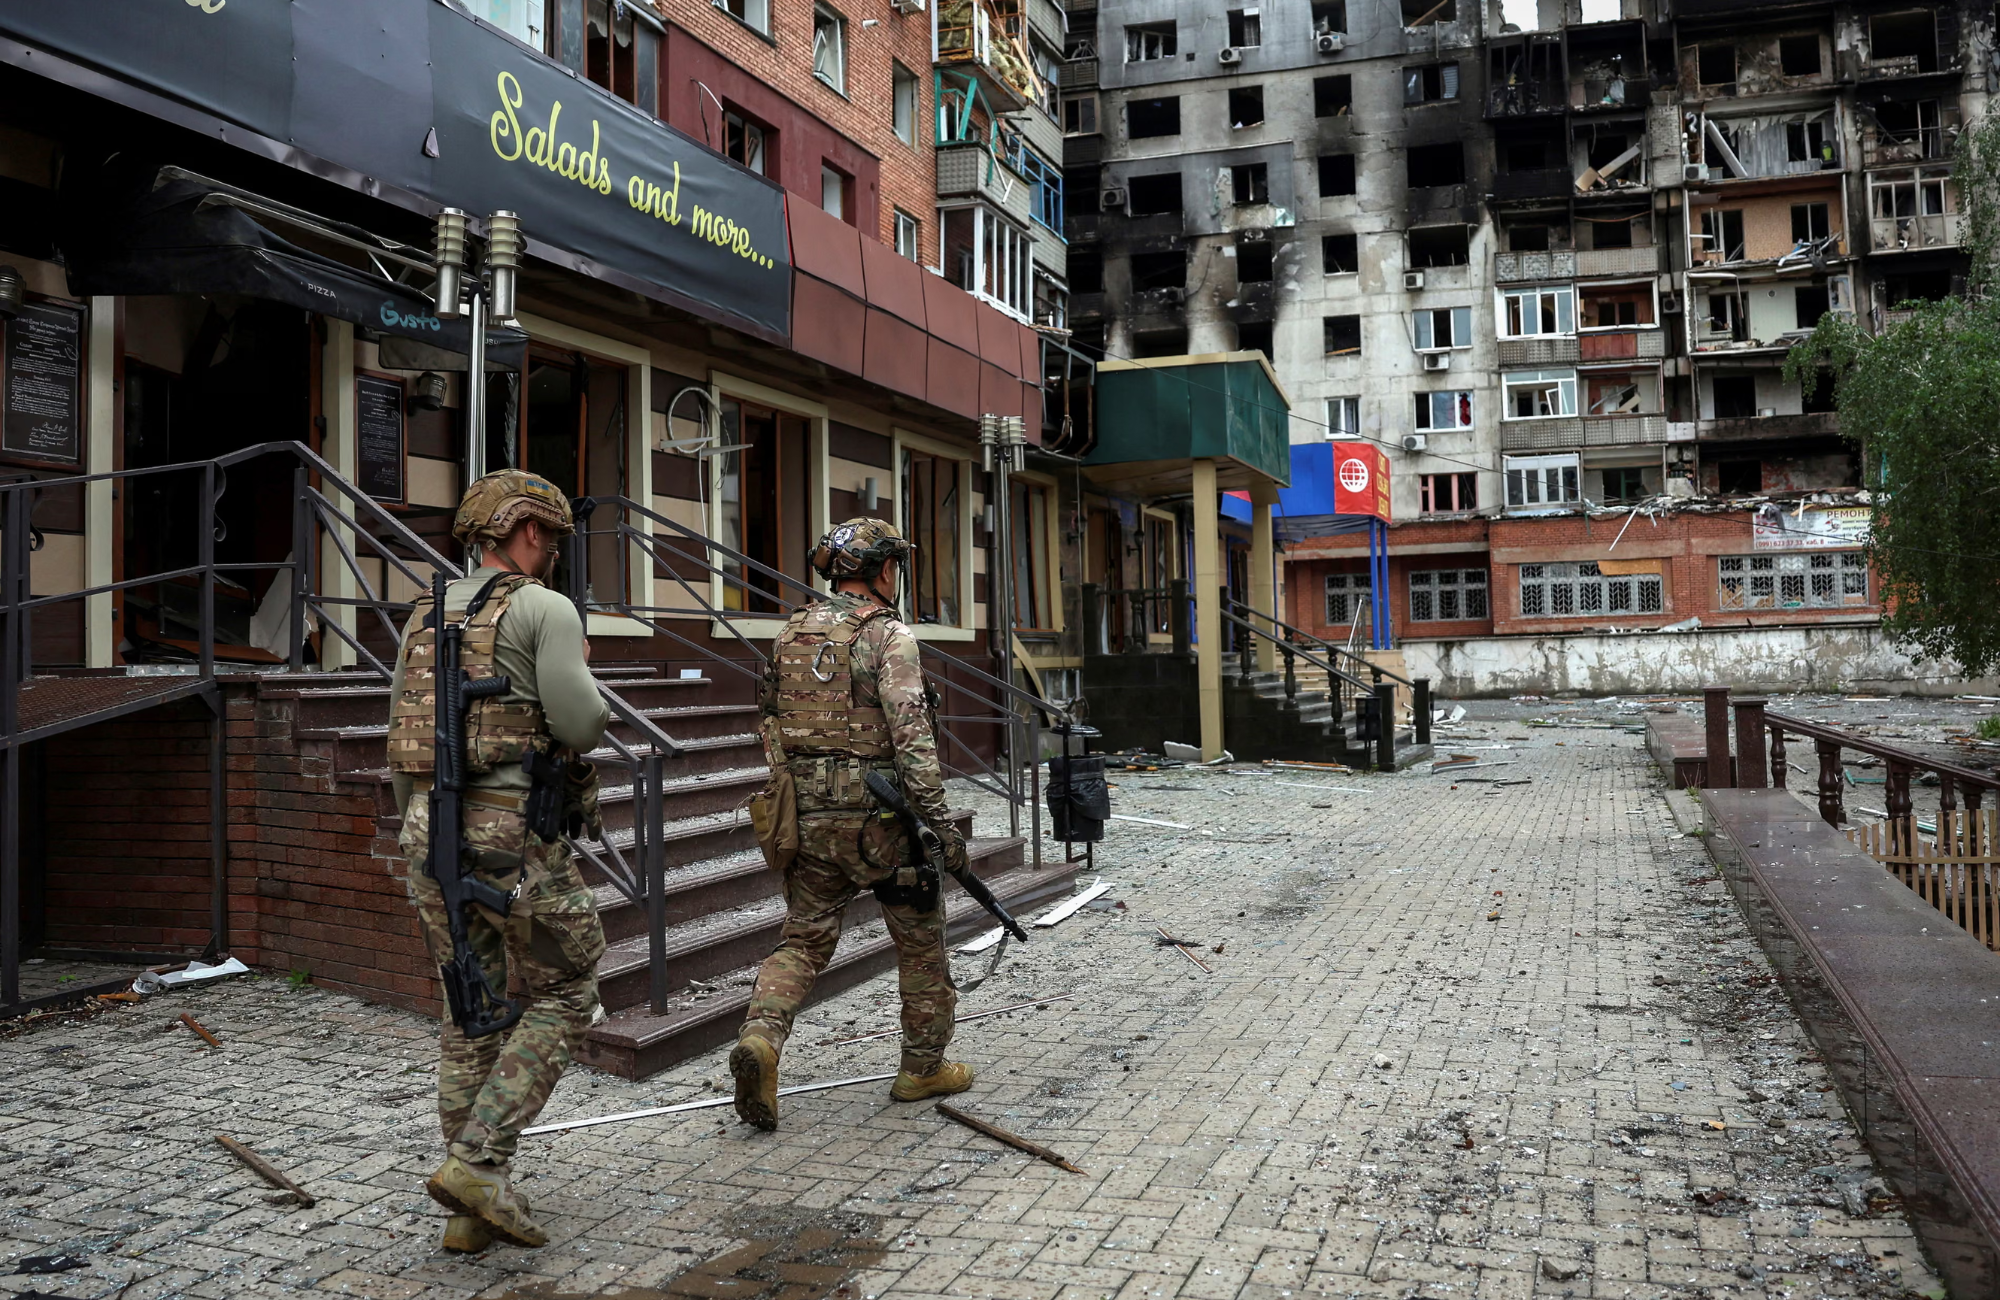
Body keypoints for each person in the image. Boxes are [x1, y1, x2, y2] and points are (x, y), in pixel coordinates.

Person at [385, 469, 609, 1252]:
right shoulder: (544, 607)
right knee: (570, 984)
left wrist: (422, 826)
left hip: (428, 827)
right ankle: (479, 1164)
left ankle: (465, 1213)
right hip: (512, 830)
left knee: (468, 1004)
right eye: (548, 537)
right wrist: (579, 664)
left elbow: (401, 743)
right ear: (528, 533)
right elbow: (581, 725)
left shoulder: (421, 613)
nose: (549, 552)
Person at [730, 518, 975, 1129]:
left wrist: (797, 792)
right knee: (920, 942)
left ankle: (762, 1039)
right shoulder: (889, 636)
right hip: (885, 821)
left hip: (810, 819)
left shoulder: (790, 633)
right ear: (885, 570)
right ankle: (922, 1068)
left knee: (803, 941)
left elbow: (768, 723)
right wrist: (940, 825)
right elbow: (912, 737)